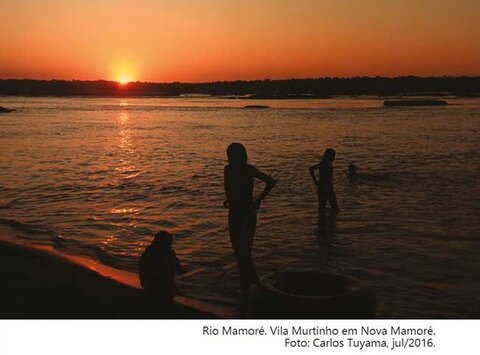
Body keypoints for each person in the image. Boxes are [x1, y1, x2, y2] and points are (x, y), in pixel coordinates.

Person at [223, 143, 275, 299]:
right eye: (229, 154)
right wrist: (228, 199)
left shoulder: (249, 170)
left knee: (245, 253)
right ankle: (246, 287)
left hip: (247, 214)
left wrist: (258, 200)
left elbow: (270, 181)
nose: (230, 157)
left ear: (241, 155)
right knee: (238, 254)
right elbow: (229, 188)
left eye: (233, 154)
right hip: (233, 213)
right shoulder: (227, 170)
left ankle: (255, 286)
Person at [139, 231, 181, 297]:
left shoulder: (148, 250)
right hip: (161, 286)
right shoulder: (168, 253)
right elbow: (176, 267)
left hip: (146, 283)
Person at [309, 148, 340, 220]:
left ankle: (329, 223)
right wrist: (315, 181)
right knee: (323, 208)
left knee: (334, 208)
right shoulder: (323, 164)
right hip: (323, 188)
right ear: (329, 156)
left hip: (329, 188)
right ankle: (322, 224)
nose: (334, 157)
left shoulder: (329, 163)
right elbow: (311, 169)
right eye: (333, 155)